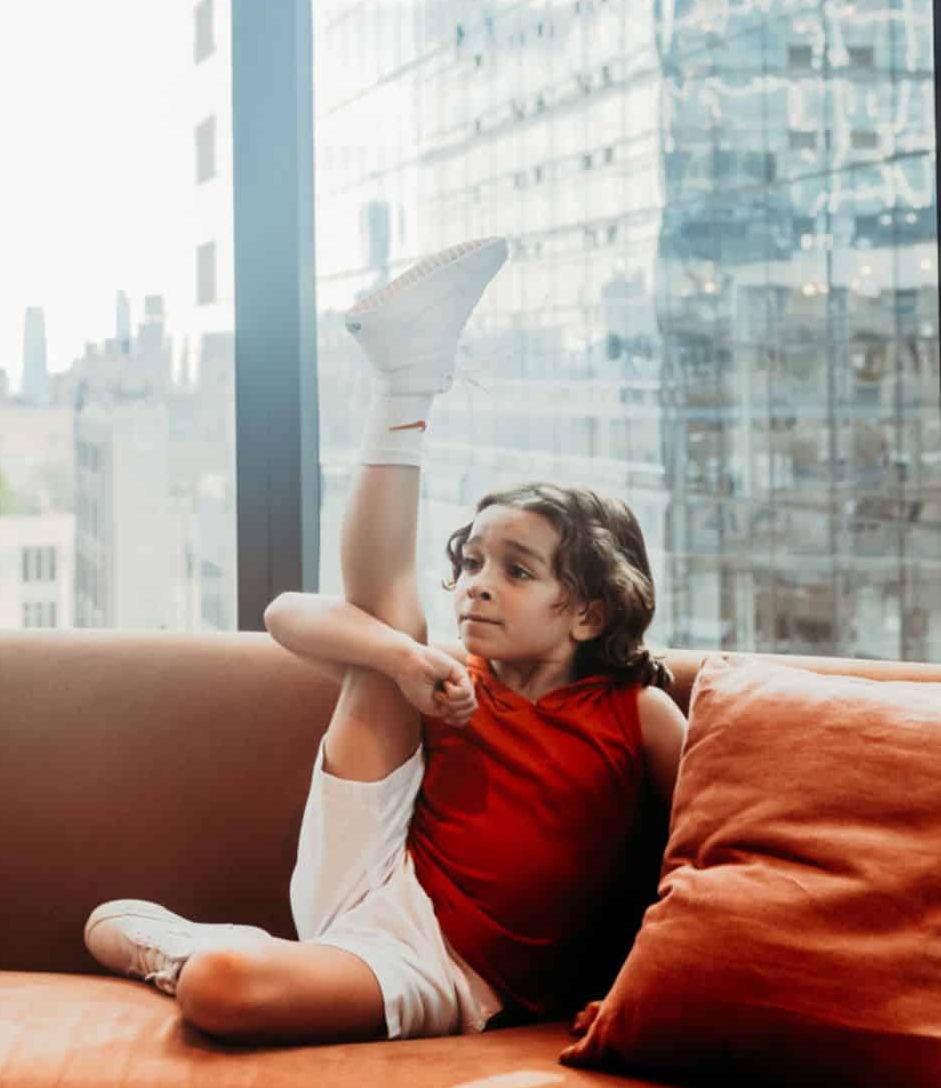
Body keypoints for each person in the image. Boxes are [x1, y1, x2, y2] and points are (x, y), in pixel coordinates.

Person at [83, 236, 687, 1044]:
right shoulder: (447, 675)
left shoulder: (637, 714)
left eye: (516, 570)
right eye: (472, 560)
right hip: (370, 866)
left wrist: (646, 986)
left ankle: (188, 949)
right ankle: (407, 382)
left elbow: (712, 847)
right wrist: (405, 661)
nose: (477, 582)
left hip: (448, 967)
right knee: (392, 631)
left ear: (590, 612)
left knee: (216, 987)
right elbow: (284, 614)